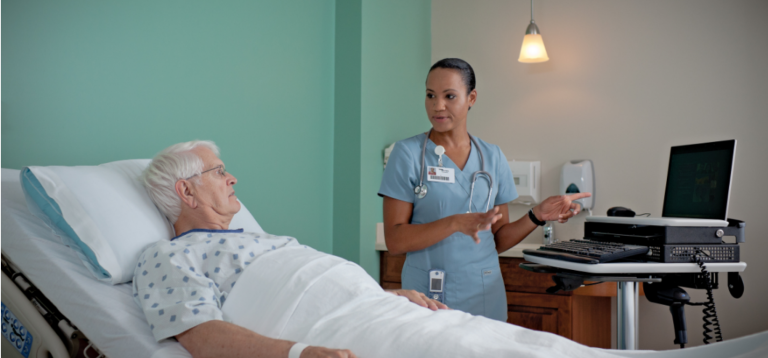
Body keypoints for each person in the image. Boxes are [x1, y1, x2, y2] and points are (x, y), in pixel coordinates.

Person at [134, 140, 447, 358]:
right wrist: (300, 353)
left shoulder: (260, 239)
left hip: (378, 309)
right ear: (186, 191)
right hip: (342, 333)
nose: (232, 178)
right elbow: (202, 337)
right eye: (217, 171)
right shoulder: (169, 256)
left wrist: (381, 295)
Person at [378, 58, 591, 321]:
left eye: (450, 96)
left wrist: (537, 215)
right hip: (425, 297)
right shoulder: (407, 154)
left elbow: (498, 239)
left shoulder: (492, 157)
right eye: (430, 95)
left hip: (482, 294)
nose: (437, 106)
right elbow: (396, 241)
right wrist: (455, 223)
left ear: (472, 98)